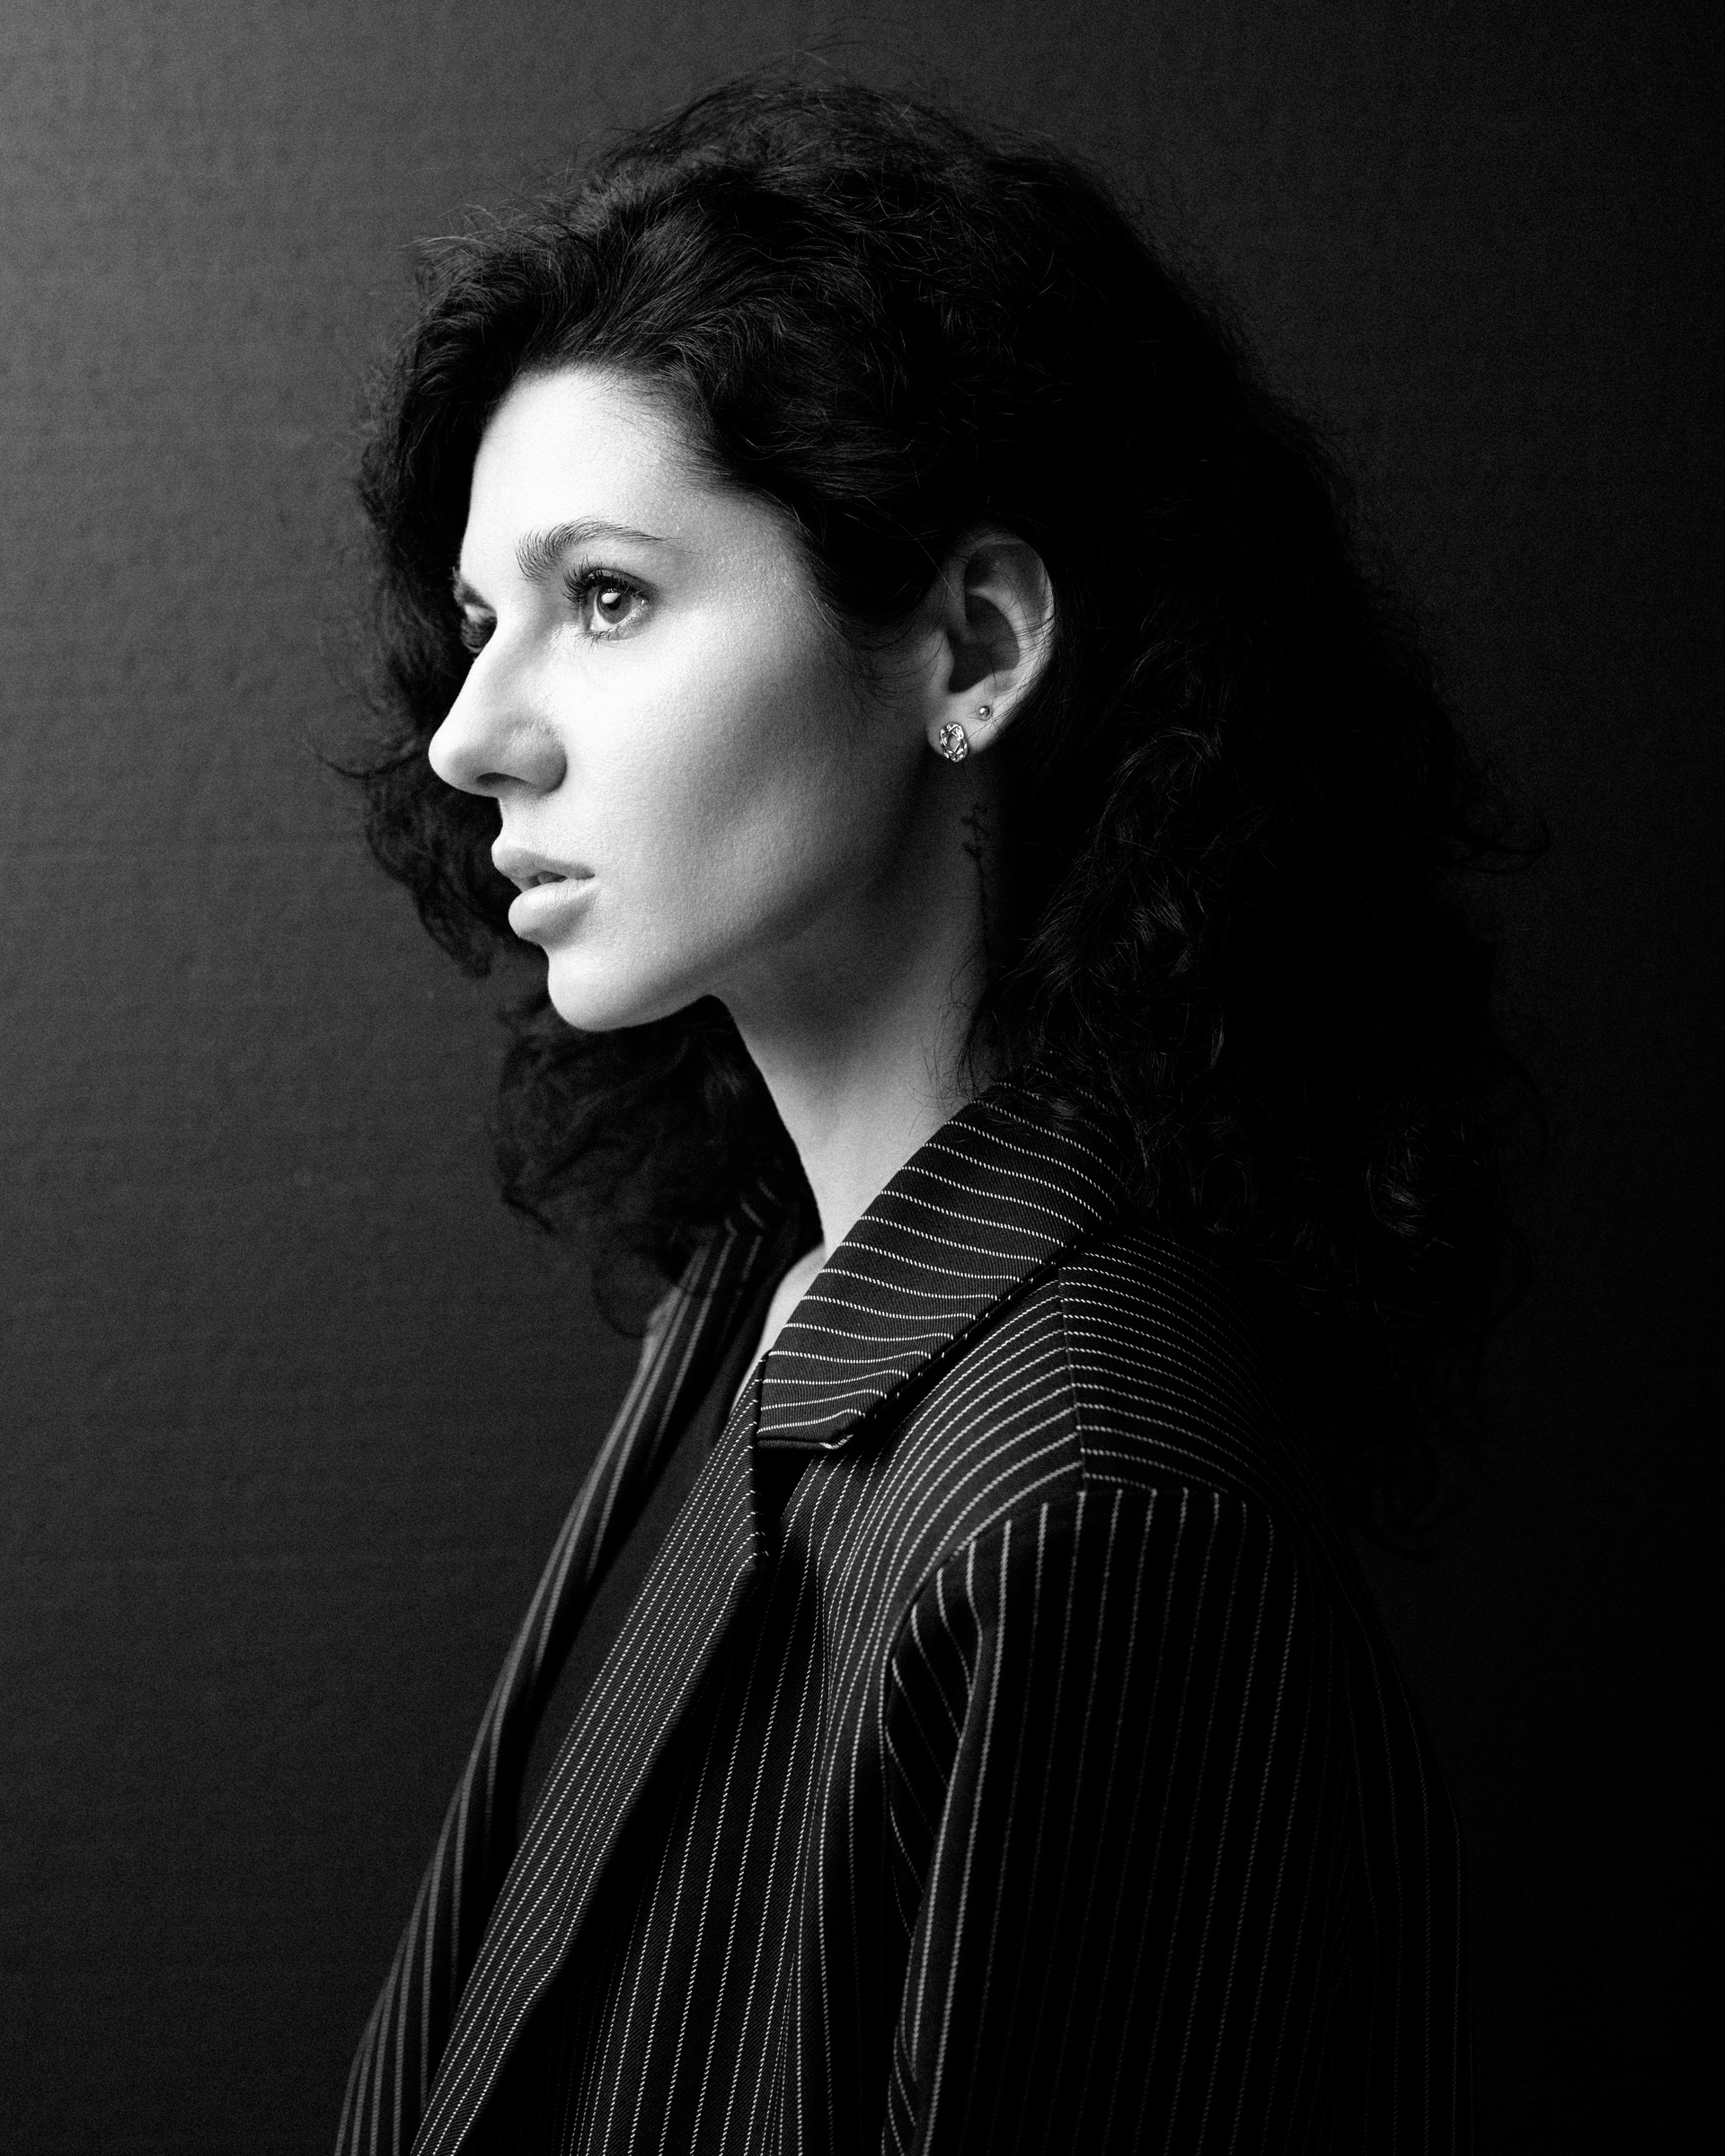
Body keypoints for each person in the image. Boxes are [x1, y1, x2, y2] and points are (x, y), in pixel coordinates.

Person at [335, 75, 1510, 2156]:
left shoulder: (1090, 1512)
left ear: (971, 646)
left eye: (606, 597)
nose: (471, 735)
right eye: (484, 621)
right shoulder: (770, 1304)